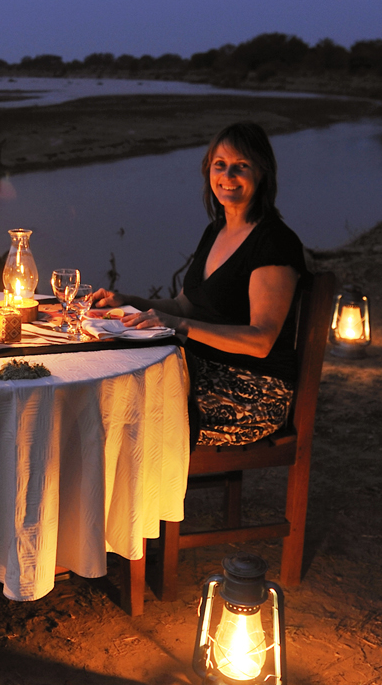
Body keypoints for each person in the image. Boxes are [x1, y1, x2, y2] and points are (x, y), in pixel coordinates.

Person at [88, 121, 307, 446]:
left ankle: (143, 495)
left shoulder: (273, 241)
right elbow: (182, 305)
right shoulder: (216, 231)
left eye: (241, 166)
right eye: (220, 165)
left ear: (261, 173)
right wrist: (126, 300)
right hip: (202, 370)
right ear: (209, 171)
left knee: (124, 410)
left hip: (255, 391)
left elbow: (261, 341)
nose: (228, 176)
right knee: (108, 379)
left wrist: (178, 325)